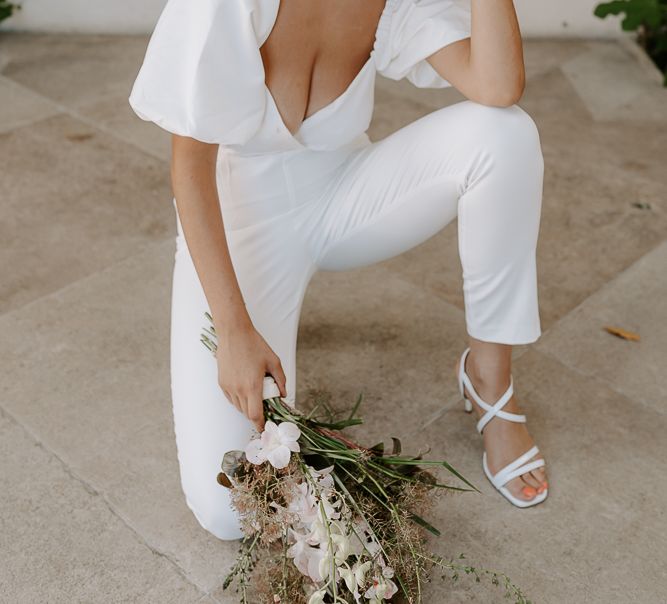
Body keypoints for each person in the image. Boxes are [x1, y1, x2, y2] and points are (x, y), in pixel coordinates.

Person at [128, 0, 548, 540]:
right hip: (243, 222)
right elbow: (189, 168)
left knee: (504, 134)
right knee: (229, 509)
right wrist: (233, 330)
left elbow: (497, 85)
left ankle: (490, 381)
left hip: (343, 195)